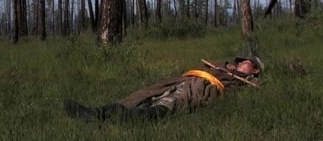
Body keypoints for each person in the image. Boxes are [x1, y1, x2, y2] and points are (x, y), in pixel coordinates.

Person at [64, 56, 264, 122]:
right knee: (145, 94)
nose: (240, 63)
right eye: (239, 62)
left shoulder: (245, 82)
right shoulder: (223, 66)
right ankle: (97, 113)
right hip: (185, 79)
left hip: (202, 87)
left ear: (254, 70)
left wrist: (239, 76)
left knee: (171, 103)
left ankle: (124, 121)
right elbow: (209, 64)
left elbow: (239, 91)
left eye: (245, 62)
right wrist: (226, 66)